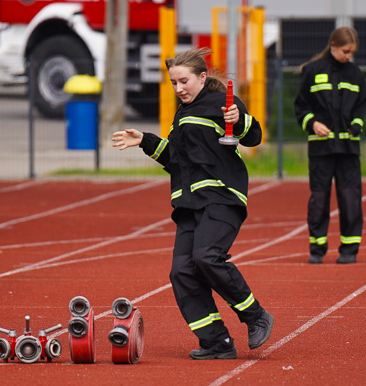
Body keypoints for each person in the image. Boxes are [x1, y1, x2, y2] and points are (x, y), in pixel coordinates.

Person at [111, 48, 274, 360]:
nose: (179, 88)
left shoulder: (220, 103)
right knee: (182, 272)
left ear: (202, 77)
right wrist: (144, 140)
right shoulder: (181, 115)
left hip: (222, 197)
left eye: (183, 81)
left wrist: (240, 120)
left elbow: (253, 136)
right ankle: (217, 342)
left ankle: (256, 316)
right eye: (173, 83)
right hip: (189, 205)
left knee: (206, 257)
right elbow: (176, 160)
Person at [294, 26, 366, 265]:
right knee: (319, 198)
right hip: (321, 147)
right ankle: (317, 248)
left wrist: (357, 124)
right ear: (334, 46)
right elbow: (301, 106)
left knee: (350, 198)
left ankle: (349, 248)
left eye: (352, 52)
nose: (348, 56)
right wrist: (313, 124)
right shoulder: (312, 71)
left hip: (348, 149)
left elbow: (362, 104)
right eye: (345, 51)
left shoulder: (355, 73)